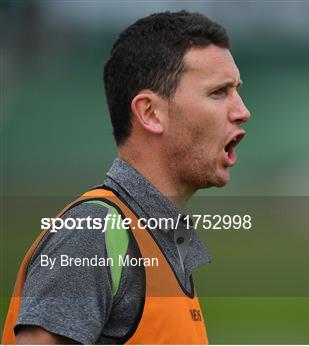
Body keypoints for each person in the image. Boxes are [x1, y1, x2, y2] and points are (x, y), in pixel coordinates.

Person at [2, 10, 250, 344]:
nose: (242, 111)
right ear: (150, 113)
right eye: (219, 92)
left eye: (236, 90)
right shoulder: (91, 234)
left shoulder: (163, 239)